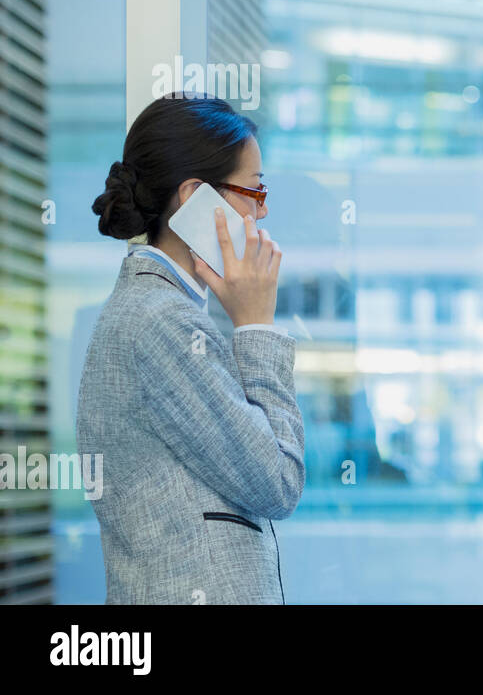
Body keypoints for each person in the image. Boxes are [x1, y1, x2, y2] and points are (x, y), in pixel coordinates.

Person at [77, 93, 303, 604]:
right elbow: (278, 482)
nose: (261, 214)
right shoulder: (162, 322)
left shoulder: (161, 312)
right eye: (254, 191)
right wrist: (256, 327)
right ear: (196, 198)